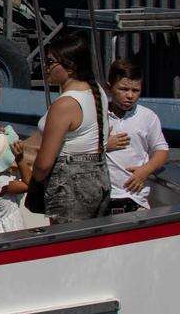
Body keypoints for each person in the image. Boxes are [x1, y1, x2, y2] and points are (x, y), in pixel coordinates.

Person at [27, 37, 110, 223]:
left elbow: (44, 164)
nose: (45, 67)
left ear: (70, 67)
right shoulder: (97, 91)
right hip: (99, 177)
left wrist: (33, 178)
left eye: (50, 62)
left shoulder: (65, 104)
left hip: (70, 184)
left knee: (66, 245)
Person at [103, 58, 168, 215]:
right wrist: (105, 145)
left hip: (135, 197)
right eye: (123, 89)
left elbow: (162, 150)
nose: (130, 96)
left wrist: (146, 170)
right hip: (101, 197)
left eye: (135, 90)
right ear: (109, 87)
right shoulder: (99, 115)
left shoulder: (147, 116)